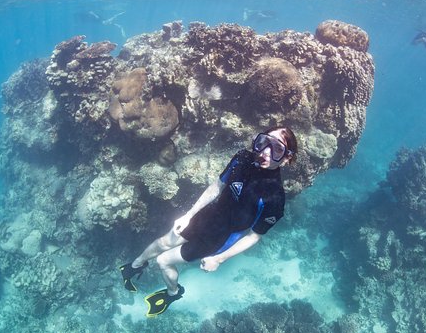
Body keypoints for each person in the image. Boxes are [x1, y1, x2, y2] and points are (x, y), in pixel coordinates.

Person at [120, 126, 298, 317]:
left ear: (287, 158)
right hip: (207, 216)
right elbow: (217, 186)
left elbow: (254, 236)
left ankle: (173, 293)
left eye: (277, 149)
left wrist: (218, 259)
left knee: (163, 261)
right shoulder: (242, 158)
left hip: (219, 237)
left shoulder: (275, 197)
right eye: (264, 142)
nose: (265, 152)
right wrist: (189, 214)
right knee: (164, 241)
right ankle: (134, 266)